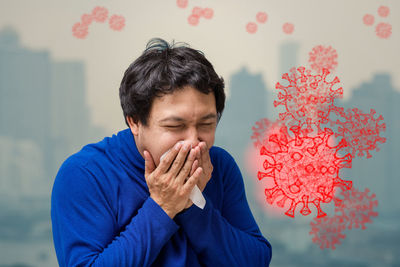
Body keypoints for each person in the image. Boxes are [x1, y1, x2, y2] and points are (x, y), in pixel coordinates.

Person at [51, 38, 272, 266]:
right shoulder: (85, 174)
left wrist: (192, 203)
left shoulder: (220, 165)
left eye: (207, 124)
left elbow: (256, 261)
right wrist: (163, 206)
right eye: (175, 126)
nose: (193, 141)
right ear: (134, 122)